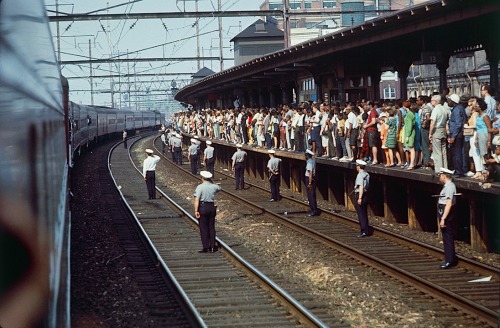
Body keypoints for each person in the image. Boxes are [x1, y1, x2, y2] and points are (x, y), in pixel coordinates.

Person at [193, 171, 221, 253]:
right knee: (211, 227)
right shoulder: (214, 186)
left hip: (203, 207)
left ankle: (206, 247)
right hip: (211, 207)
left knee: (204, 228)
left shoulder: (199, 187)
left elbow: (196, 199)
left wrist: (196, 210)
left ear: (202, 178)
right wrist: (212, 183)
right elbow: (219, 188)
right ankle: (212, 246)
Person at [437, 167, 458, 269]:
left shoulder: (449, 187)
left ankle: (449, 260)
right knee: (446, 236)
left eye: (440, 175)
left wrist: (443, 218)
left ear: (444, 176)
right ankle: (449, 258)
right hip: (443, 210)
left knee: (447, 236)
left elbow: (448, 204)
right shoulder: (447, 186)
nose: (439, 177)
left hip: (446, 212)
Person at [447, 94, 467, 177]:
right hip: (459, 133)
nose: (448, 102)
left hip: (456, 134)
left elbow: (458, 124)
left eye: (450, 100)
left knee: (456, 153)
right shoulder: (460, 108)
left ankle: (459, 172)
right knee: (458, 152)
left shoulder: (456, 110)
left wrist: (453, 137)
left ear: (453, 101)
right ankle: (459, 170)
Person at [429, 95, 448, 173]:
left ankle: (439, 169)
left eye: (432, 100)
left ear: (435, 101)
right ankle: (445, 168)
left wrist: (430, 133)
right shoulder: (444, 109)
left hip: (437, 130)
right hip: (443, 129)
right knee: (443, 150)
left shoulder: (435, 110)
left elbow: (432, 123)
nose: (431, 101)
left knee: (437, 151)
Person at [353, 159, 370, 237]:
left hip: (360, 194)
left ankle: (363, 230)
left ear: (359, 167)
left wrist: (360, 198)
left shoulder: (360, 175)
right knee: (364, 212)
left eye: (357, 166)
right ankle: (366, 229)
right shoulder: (367, 174)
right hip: (366, 194)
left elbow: (361, 187)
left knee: (361, 213)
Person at [304, 149, 320, 217]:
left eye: (305, 155)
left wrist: (310, 183)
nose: (305, 156)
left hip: (310, 179)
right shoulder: (313, 161)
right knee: (312, 195)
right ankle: (314, 209)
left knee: (311, 195)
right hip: (313, 178)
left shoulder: (309, 163)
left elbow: (310, 173)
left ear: (307, 155)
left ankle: (313, 210)